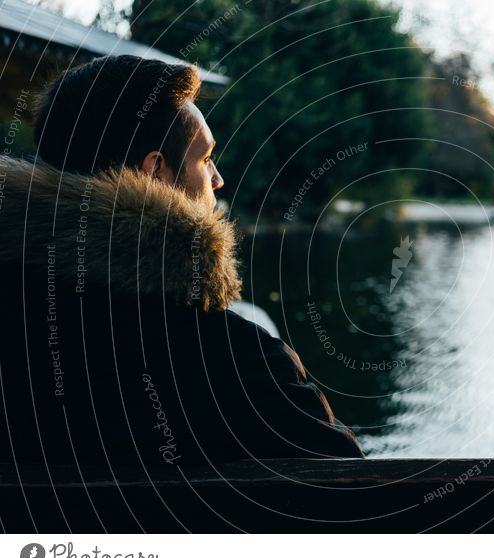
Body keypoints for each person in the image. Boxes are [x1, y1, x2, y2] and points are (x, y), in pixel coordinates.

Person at [0, 55, 364, 470]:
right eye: (205, 158)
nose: (217, 179)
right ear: (155, 170)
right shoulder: (237, 360)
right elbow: (355, 496)